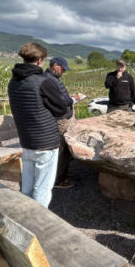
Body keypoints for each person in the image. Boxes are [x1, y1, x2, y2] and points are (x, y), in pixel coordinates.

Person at [8, 43, 71, 208]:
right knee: (42, 188)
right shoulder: (43, 82)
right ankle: (38, 227)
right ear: (39, 60)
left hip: (26, 141)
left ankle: (26, 220)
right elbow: (61, 109)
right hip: (46, 143)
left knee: (27, 187)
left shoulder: (13, 82)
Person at [45, 56, 86, 188]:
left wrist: (70, 99)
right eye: (62, 69)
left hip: (64, 117)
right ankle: (58, 180)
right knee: (63, 150)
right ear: (55, 65)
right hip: (61, 119)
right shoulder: (50, 80)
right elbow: (60, 101)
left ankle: (62, 175)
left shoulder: (53, 79)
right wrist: (73, 99)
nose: (63, 72)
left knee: (65, 149)